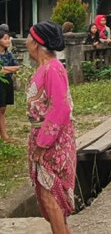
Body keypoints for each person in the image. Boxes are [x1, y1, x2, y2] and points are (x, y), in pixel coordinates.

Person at [25, 21, 76, 233]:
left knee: (51, 198)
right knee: (49, 200)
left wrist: (43, 144)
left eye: (29, 37)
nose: (26, 41)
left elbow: (60, 109)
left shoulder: (52, 70)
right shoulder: (46, 68)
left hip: (52, 144)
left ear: (36, 43)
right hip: (45, 139)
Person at [0, 28, 19, 143]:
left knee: (3, 109)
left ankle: (3, 134)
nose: (8, 41)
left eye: (8, 39)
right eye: (5, 39)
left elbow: (17, 68)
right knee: (0, 108)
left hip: (7, 83)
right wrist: (9, 69)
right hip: (0, 84)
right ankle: (5, 135)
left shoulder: (8, 54)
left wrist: (4, 69)